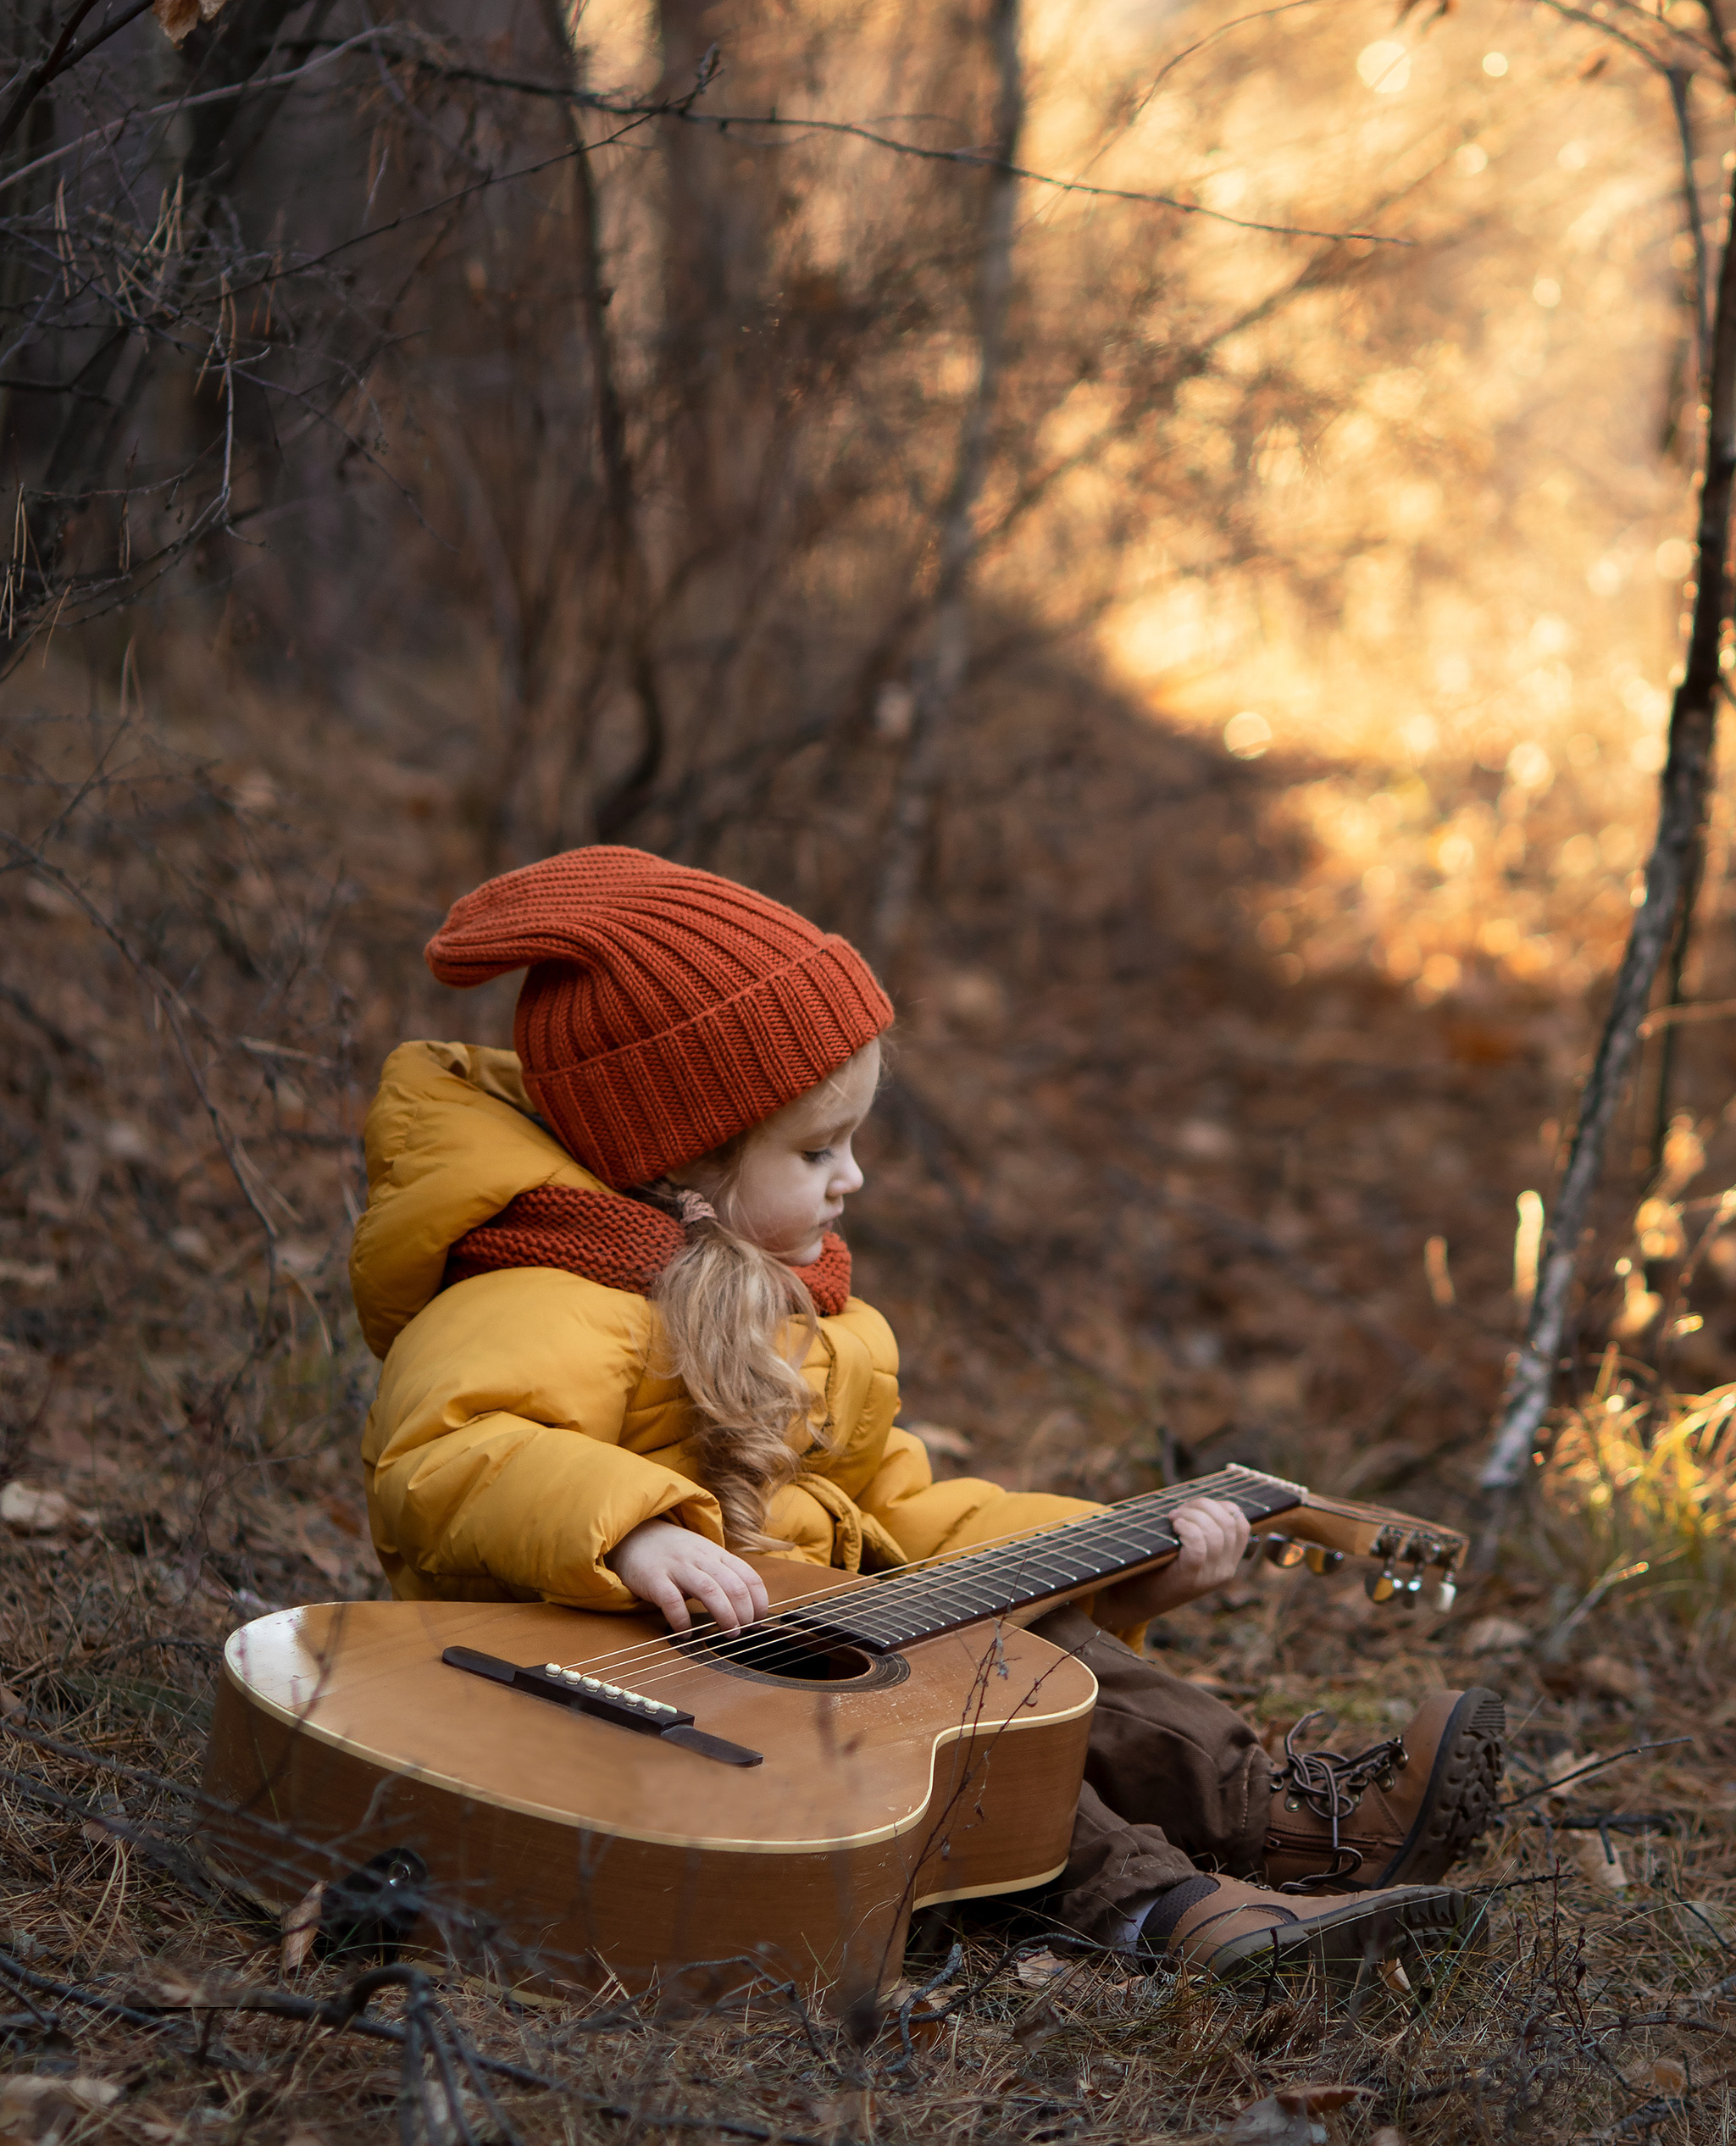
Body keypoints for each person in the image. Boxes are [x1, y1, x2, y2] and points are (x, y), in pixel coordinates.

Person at [351, 846, 1504, 1980]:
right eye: (815, 1148)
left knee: (1051, 1657)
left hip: (803, 1642)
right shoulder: (539, 1290)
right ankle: (1167, 1913)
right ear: (682, 1165)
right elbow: (447, 1449)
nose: (850, 1178)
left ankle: (1297, 1831)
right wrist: (633, 1527)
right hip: (625, 1684)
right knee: (963, 1735)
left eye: (850, 1140)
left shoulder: (808, 1318)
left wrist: (1116, 1565)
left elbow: (901, 1509)